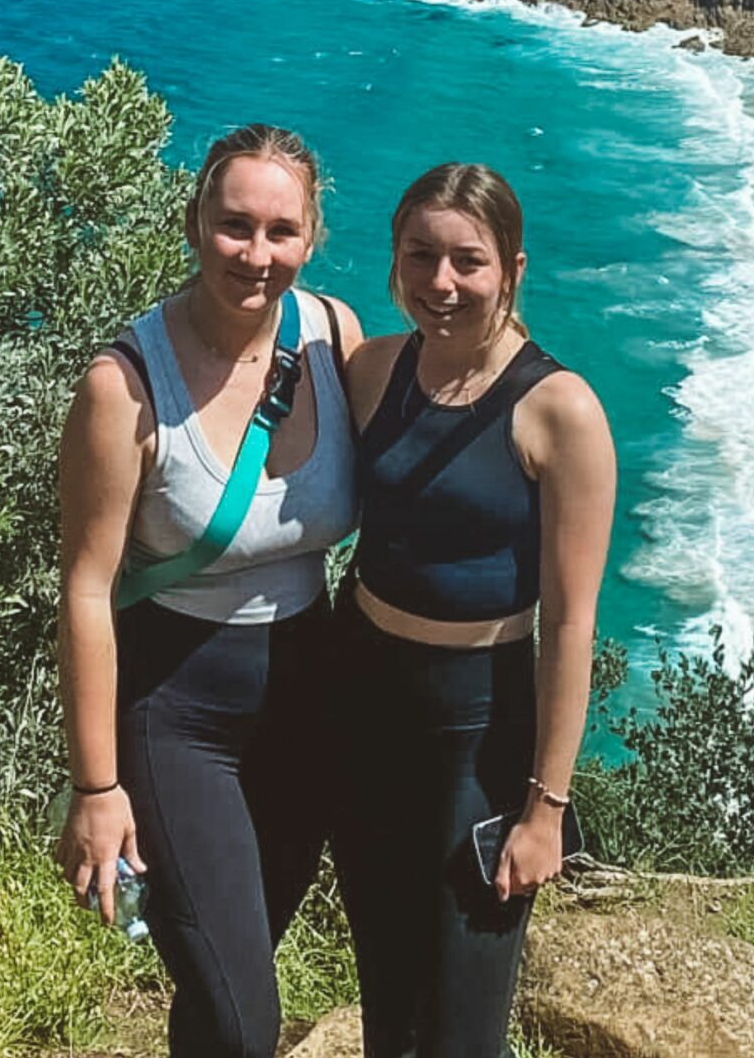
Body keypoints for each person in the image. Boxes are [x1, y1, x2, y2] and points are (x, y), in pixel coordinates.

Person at [56, 123, 363, 1058]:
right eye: (236, 226)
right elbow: (84, 591)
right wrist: (95, 786)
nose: (257, 255)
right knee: (239, 1019)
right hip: (178, 710)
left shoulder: (333, 335)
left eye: (282, 232)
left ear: (312, 237)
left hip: (307, 710)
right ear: (194, 223)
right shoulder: (126, 386)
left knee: (227, 986)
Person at [334, 163, 617, 1058]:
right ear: (395, 259)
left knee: (465, 1010)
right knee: (387, 989)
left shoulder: (559, 411)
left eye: (469, 261)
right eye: (421, 256)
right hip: (364, 700)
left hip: (480, 726)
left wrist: (545, 810)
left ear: (514, 270)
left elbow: (571, 622)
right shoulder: (373, 369)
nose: (442, 283)